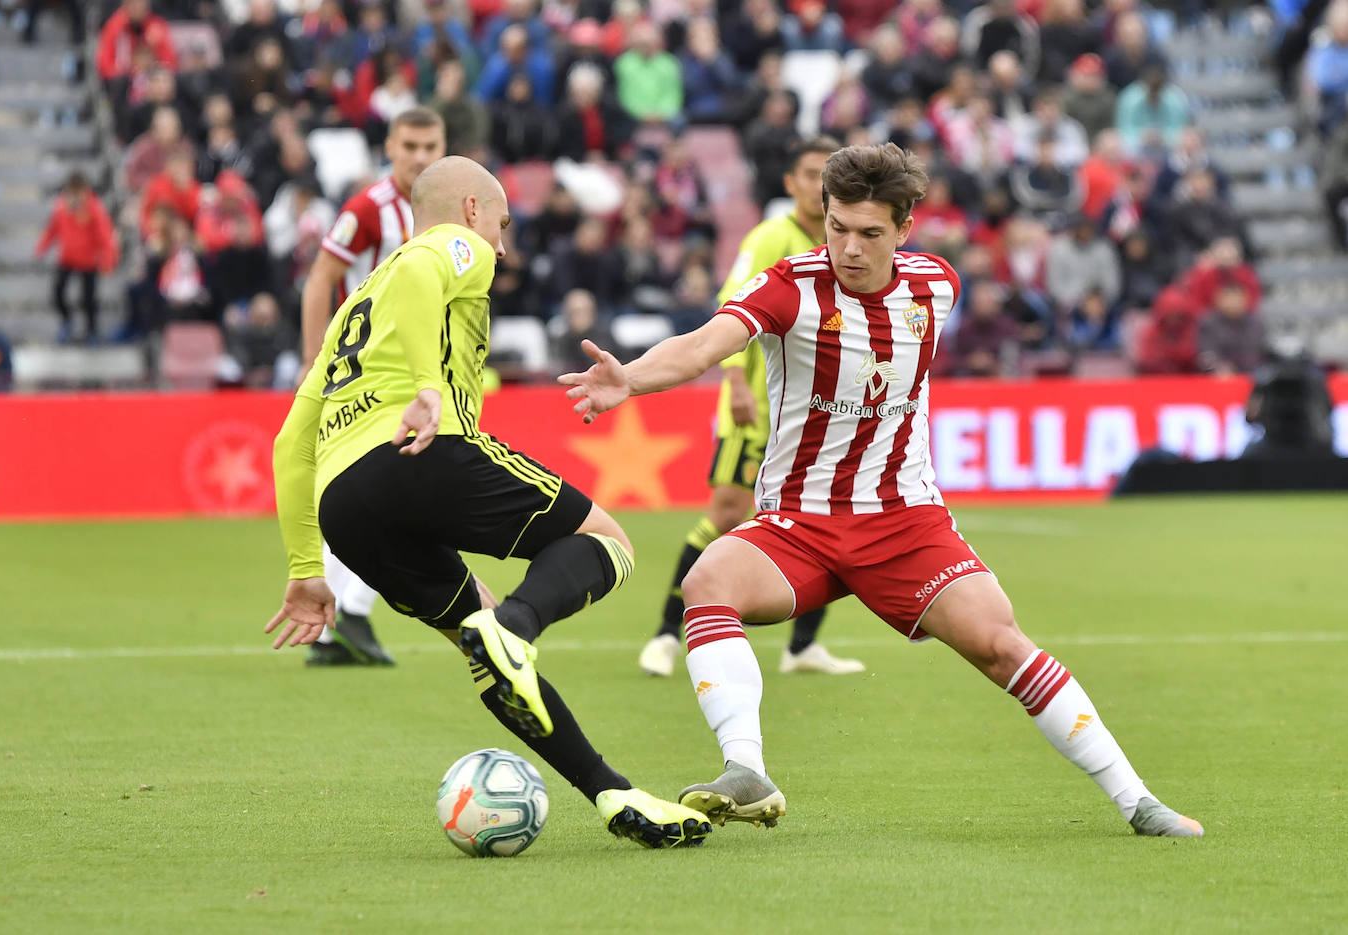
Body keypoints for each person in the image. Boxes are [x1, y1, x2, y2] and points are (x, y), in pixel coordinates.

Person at [562, 143, 1203, 839]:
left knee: (1000, 642)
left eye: (870, 233)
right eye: (838, 227)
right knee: (708, 578)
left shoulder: (938, 287)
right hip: (800, 522)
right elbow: (704, 344)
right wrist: (631, 377)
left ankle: (1137, 798)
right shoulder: (789, 285)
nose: (849, 247)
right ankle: (745, 767)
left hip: (905, 521)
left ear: (903, 229)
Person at [266, 155, 712, 849]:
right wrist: (425, 388)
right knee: (611, 544)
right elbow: (420, 271)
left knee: (488, 653)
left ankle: (611, 791)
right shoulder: (450, 246)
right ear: (473, 210)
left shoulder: (356, 306)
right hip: (420, 448)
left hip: (344, 503)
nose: (503, 247)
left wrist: (304, 567)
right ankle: (517, 623)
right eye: (502, 224)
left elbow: (291, 442)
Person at [637, 136, 864, 680]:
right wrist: (736, 382)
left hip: (821, 415)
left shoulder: (846, 245)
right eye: (808, 174)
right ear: (790, 183)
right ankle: (668, 634)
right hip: (758, 411)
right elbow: (731, 309)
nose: (817, 185)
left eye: (826, 175)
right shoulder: (771, 238)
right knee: (725, 517)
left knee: (834, 519)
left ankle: (802, 646)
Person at [299, 106, 447, 667]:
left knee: (386, 495)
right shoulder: (369, 210)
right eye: (409, 145)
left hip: (427, 375)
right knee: (378, 492)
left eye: (429, 145)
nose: (419, 156)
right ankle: (347, 614)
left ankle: (344, 618)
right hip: (370, 376)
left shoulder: (453, 210)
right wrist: (314, 362)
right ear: (390, 147)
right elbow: (320, 280)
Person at [34, 173, 120, 344]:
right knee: (58, 291)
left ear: (84, 191)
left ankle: (92, 331)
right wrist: (41, 249)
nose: (75, 197)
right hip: (66, 259)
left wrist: (108, 261)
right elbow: (52, 230)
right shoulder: (61, 208)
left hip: (88, 261)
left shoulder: (95, 209)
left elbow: (105, 237)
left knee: (89, 299)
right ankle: (67, 321)